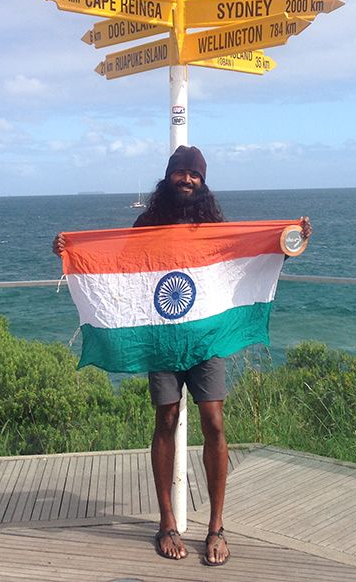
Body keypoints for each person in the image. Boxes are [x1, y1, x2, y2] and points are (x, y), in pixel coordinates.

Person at [53, 145, 311, 566]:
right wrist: (71, 251)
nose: (187, 180)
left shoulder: (214, 224)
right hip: (162, 340)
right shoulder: (147, 223)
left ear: (202, 180)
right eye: (181, 173)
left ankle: (216, 527)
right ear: (168, 176)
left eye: (194, 174)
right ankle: (166, 522)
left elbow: (242, 264)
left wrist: (286, 242)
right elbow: (116, 268)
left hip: (206, 339)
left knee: (214, 421)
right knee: (166, 419)